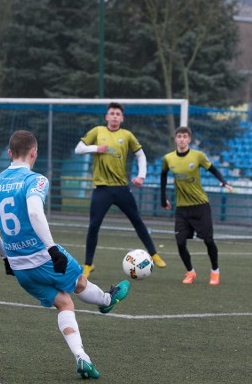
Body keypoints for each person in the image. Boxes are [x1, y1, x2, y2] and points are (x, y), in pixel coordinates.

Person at [0, 130, 130, 379]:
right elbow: (35, 213)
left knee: (63, 303)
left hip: (19, 268)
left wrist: (6, 258)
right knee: (80, 283)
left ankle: (82, 358)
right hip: (43, 255)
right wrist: (51, 248)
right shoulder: (35, 179)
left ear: (9, 153)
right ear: (34, 153)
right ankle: (106, 301)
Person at [75, 102, 166, 278]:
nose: (115, 116)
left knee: (137, 221)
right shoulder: (97, 131)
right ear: (106, 117)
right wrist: (95, 148)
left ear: (122, 118)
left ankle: (154, 253)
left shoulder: (127, 135)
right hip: (101, 189)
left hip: (121, 188)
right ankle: (88, 264)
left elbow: (141, 155)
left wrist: (141, 176)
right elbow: (78, 149)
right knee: (93, 226)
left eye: (118, 114)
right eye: (112, 113)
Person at [160, 126, 234, 285]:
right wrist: (163, 197)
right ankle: (190, 272)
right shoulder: (168, 158)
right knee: (180, 242)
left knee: (208, 241)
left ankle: (215, 272)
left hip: (200, 206)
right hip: (182, 208)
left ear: (189, 139)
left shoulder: (198, 156)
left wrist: (224, 182)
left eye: (185, 137)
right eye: (179, 136)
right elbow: (163, 177)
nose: (182, 139)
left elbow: (213, 170)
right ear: (175, 139)